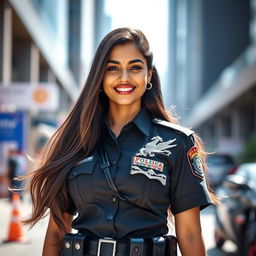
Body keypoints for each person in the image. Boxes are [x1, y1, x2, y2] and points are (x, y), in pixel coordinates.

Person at [24, 27, 216, 256]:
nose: (124, 77)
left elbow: (190, 234)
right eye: (113, 68)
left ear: (149, 76)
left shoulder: (178, 142)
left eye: (135, 67)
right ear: (100, 76)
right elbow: (56, 233)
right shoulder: (75, 141)